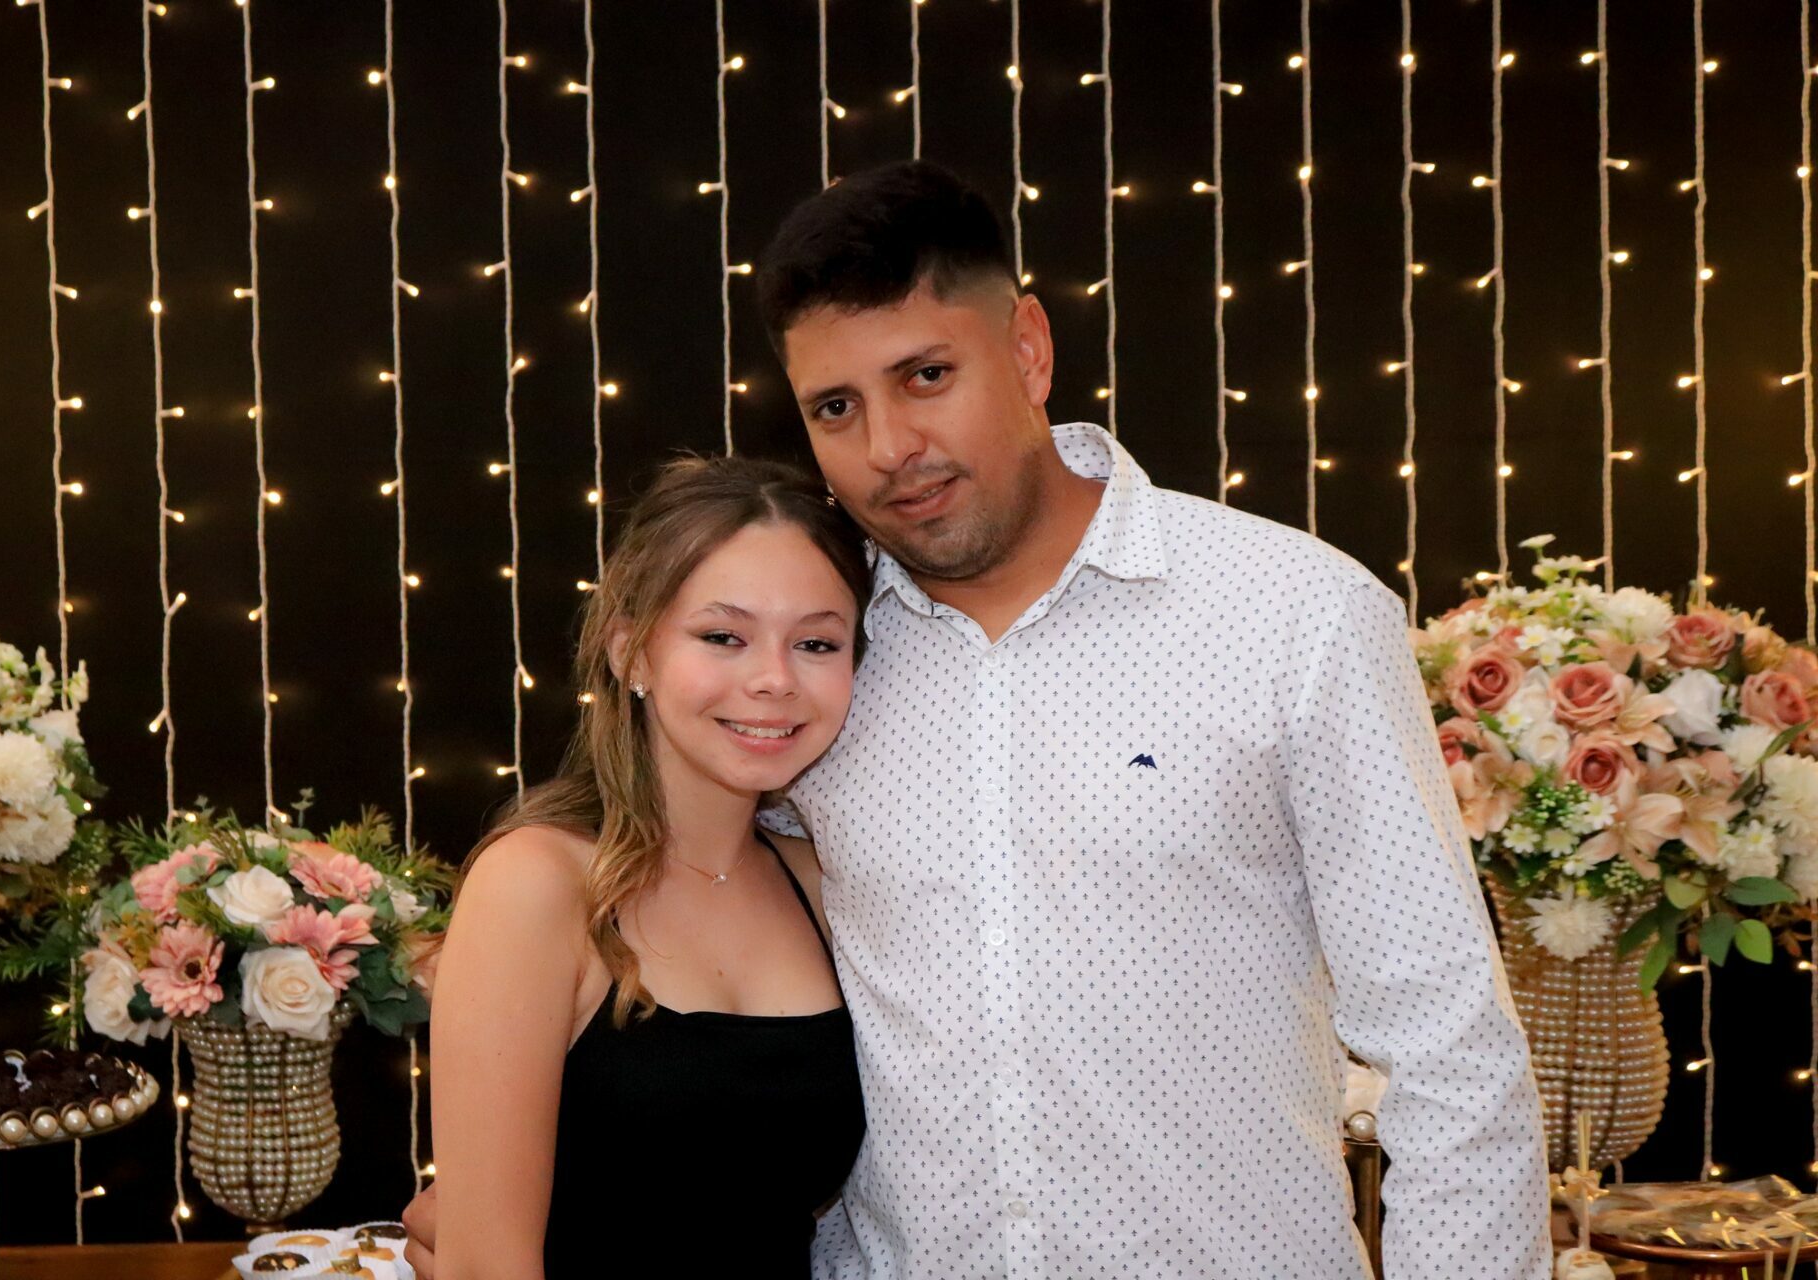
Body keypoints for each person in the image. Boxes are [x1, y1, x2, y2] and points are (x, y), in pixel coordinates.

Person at [409, 161, 1552, 1278]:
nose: (888, 447)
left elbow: (1451, 1053)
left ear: (1028, 349)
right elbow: (690, 971)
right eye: (836, 407)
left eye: (926, 375)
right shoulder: (826, 646)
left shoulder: (1293, 614)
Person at [419, 455, 869, 1278]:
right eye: (723, 637)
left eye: (816, 642)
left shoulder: (820, 883)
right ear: (631, 651)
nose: (774, 679)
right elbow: (483, 1265)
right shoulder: (537, 883)